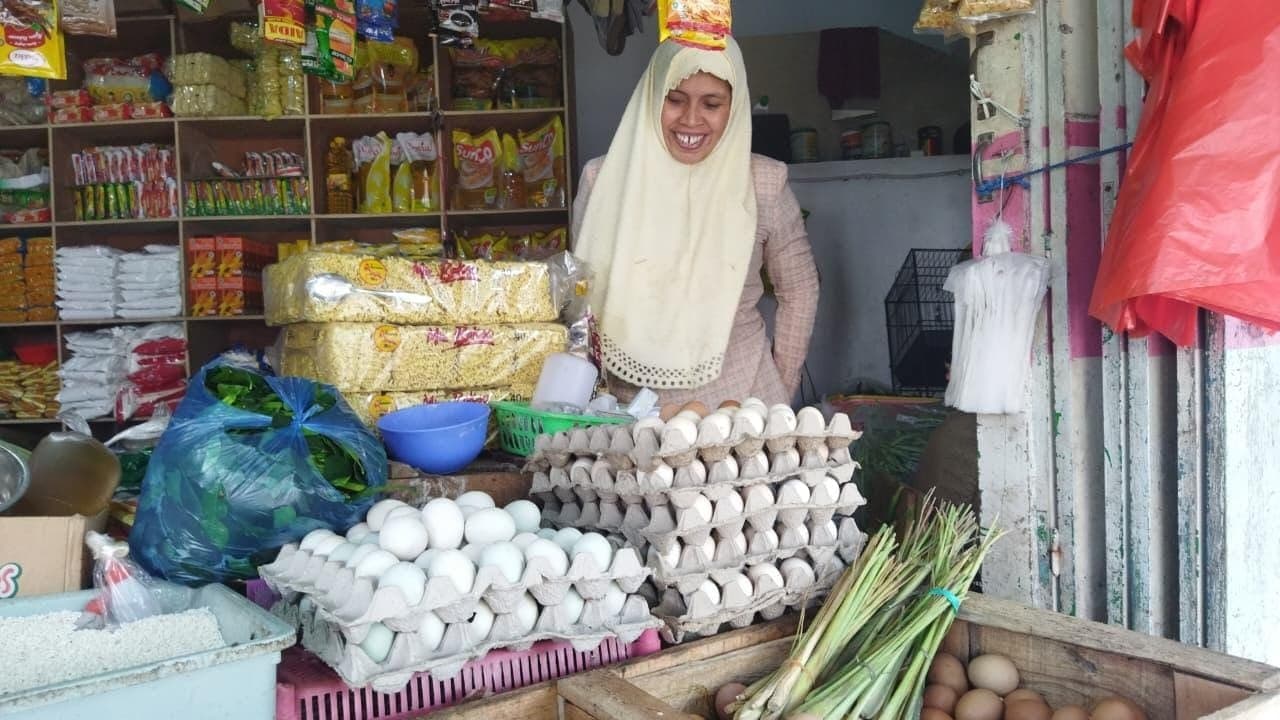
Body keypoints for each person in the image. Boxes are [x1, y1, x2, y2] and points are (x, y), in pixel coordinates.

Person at [572, 36, 820, 409]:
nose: (691, 119)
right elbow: (580, 298)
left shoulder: (764, 183)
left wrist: (780, 387)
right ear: (651, 97)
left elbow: (800, 289)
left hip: (741, 399)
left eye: (712, 104)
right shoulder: (603, 180)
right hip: (629, 408)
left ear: (734, 106)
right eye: (674, 100)